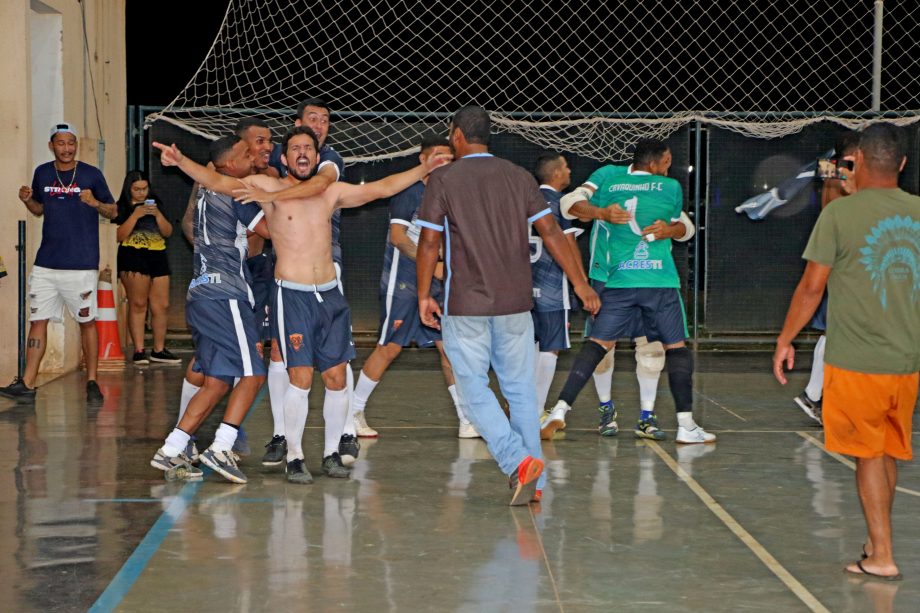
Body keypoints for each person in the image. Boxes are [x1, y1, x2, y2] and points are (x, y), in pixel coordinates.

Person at [154, 126, 450, 484]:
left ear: (317, 154)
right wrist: (181, 160)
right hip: (291, 294)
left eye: (309, 147)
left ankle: (330, 454)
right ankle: (294, 456)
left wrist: (424, 169)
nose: (303, 153)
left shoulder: (331, 192)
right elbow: (217, 182)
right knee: (301, 377)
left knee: (338, 376)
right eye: (295, 148)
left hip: (330, 293)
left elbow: (382, 188)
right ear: (285, 157)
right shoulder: (266, 189)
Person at [416, 106, 600, 506]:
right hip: (517, 303)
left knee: (474, 391)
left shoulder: (444, 178)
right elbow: (552, 232)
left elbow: (429, 242)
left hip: (466, 304)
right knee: (521, 394)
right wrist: (580, 283)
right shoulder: (518, 177)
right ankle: (533, 484)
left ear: (457, 135)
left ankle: (517, 462)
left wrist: (422, 294)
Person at [773, 123, 920, 581]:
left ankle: (882, 554)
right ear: (900, 164)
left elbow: (812, 287)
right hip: (907, 361)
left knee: (867, 455)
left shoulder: (839, 215)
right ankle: (877, 542)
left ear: (855, 162)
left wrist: (785, 339)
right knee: (885, 452)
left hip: (858, 360)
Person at [543, 139, 715, 445]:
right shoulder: (608, 175)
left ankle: (646, 417)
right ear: (653, 163)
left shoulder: (662, 189)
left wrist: (669, 230)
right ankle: (606, 409)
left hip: (641, 276)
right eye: (666, 162)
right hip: (607, 275)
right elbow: (570, 205)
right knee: (604, 351)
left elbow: (684, 227)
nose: (669, 168)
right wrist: (601, 213)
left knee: (651, 349)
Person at [244, 98, 365, 461]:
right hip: (283, 260)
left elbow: (320, 185)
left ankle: (345, 433)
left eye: (326, 119)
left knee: (337, 356)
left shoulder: (328, 159)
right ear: (297, 123)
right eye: (312, 118)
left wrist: (274, 193)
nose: (320, 123)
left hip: (327, 263)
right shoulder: (282, 158)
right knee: (280, 349)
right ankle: (282, 435)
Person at [149, 135, 269, 484]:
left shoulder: (205, 192)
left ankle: (172, 449)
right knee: (253, 373)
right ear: (228, 164)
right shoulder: (234, 188)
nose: (253, 156)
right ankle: (221, 446)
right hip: (225, 294)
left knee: (216, 382)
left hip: (200, 292)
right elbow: (271, 230)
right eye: (246, 153)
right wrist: (283, 198)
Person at [351, 135, 480, 439]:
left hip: (436, 283)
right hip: (404, 280)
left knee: (449, 349)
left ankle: (465, 419)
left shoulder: (452, 194)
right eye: (437, 157)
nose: (443, 164)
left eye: (449, 159)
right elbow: (398, 237)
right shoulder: (410, 192)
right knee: (390, 347)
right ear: (423, 160)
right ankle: (352, 412)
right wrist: (431, 263)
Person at [1, 123, 117, 403]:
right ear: (52, 145)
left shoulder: (92, 174)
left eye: (71, 143)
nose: (67, 148)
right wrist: (29, 201)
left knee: (87, 321)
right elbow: (40, 210)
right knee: (37, 319)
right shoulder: (42, 172)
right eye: (61, 143)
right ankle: (27, 384)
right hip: (46, 263)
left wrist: (94, 203)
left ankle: (92, 381)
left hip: (80, 263)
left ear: (75, 145)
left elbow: (113, 210)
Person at [793, 132, 860, 425]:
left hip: (841, 257)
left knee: (837, 331)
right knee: (837, 331)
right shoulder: (842, 179)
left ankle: (819, 395)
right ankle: (814, 395)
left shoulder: (831, 172)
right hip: (840, 259)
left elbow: (823, 166)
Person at [528, 153, 587, 421]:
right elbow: (568, 245)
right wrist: (582, 285)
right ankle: (536, 410)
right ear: (555, 174)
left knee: (527, 347)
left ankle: (522, 406)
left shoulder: (524, 201)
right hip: (552, 289)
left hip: (523, 290)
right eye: (565, 167)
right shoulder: (559, 204)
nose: (569, 171)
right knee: (550, 347)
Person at [113, 171, 180, 365]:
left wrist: (157, 214)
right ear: (129, 189)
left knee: (162, 305)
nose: (141, 193)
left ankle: (159, 349)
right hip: (133, 256)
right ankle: (139, 349)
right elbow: (118, 235)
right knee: (138, 304)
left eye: (144, 189)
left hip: (157, 254)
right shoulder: (122, 207)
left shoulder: (155, 204)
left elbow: (167, 232)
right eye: (137, 189)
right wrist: (134, 215)